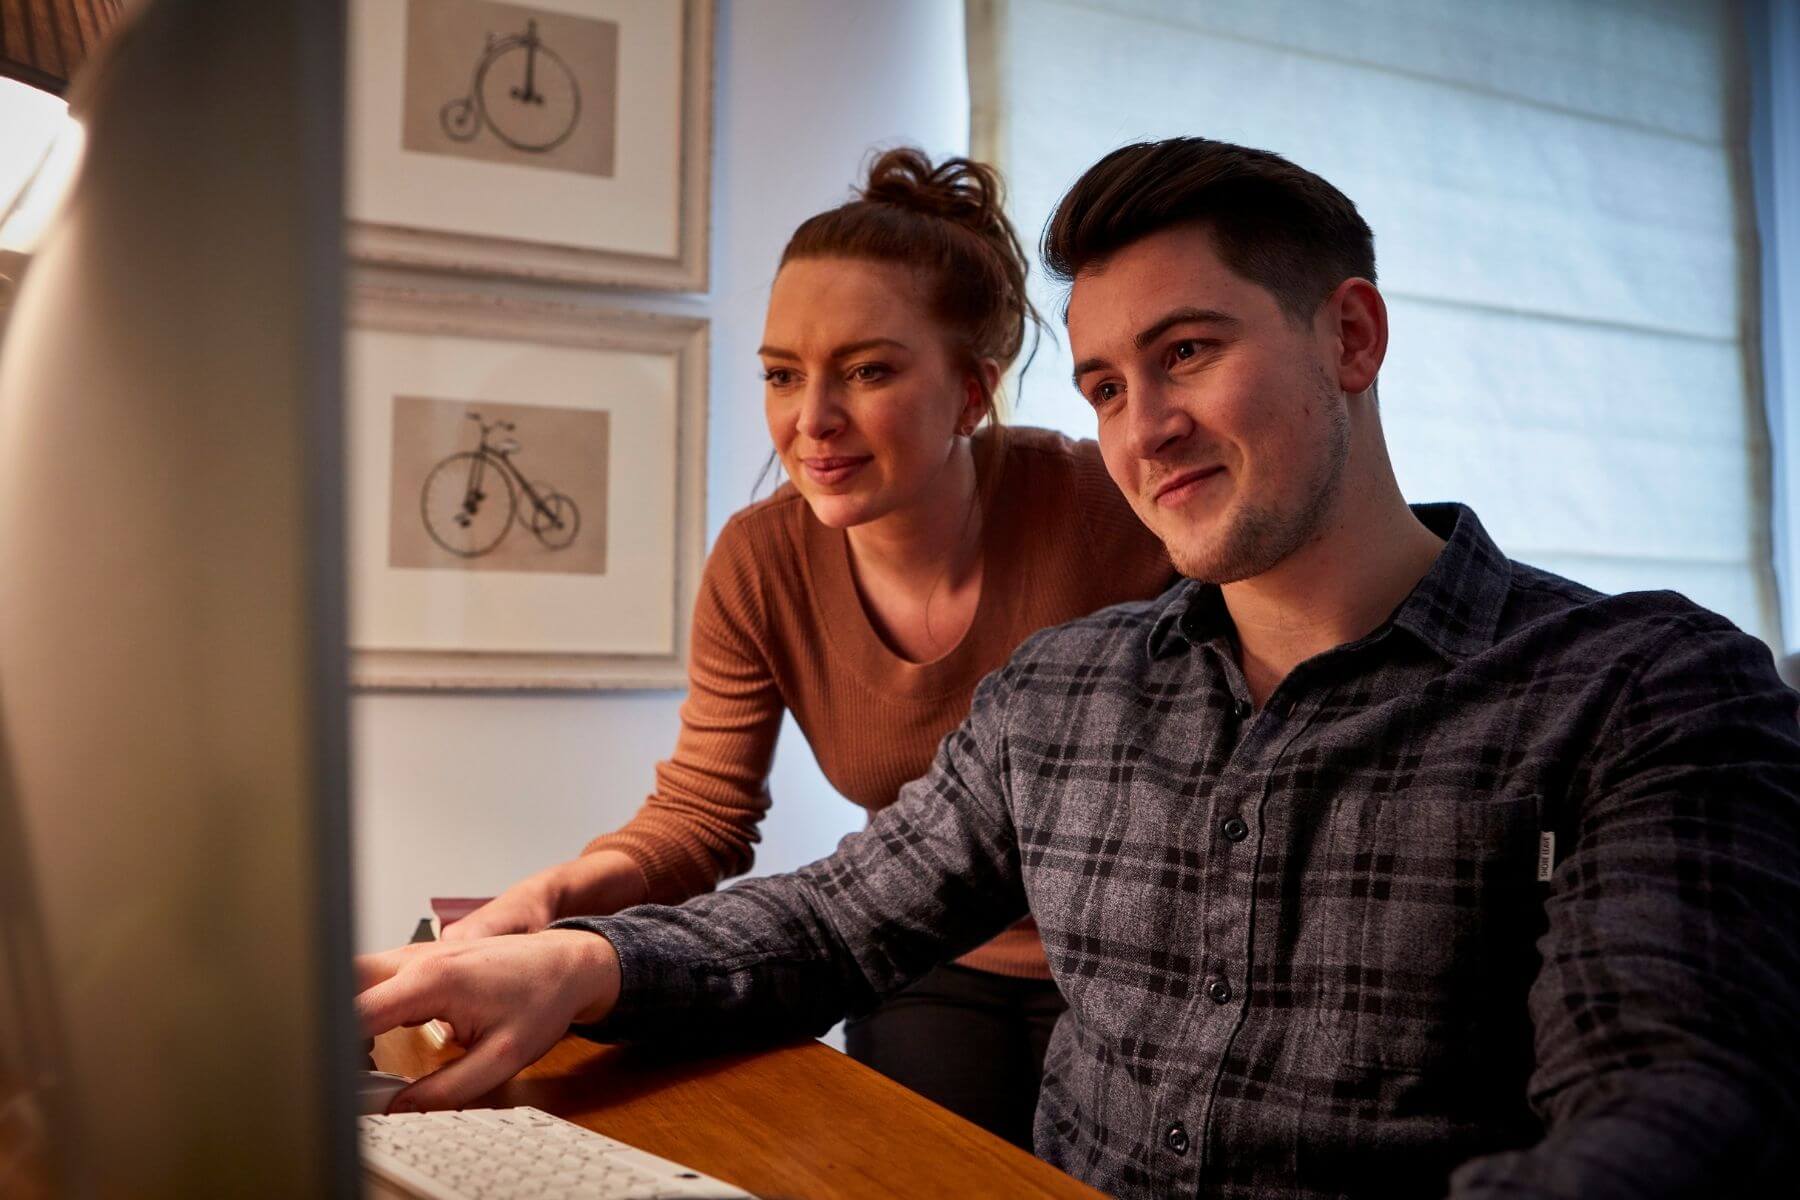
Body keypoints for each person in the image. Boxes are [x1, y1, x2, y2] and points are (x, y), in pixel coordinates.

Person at [356, 138, 1800, 1198]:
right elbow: (830, 922)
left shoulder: (1644, 692)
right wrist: (582, 961)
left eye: (1190, 352)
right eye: (1107, 384)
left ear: (1351, 337)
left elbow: (1672, 1097)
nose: (1143, 426)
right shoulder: (1059, 695)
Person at [427, 147, 1177, 1148]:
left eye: (867, 371)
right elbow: (705, 814)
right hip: (923, 947)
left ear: (972, 393)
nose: (810, 421)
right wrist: (559, 898)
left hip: (1132, 958)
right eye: (783, 375)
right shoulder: (761, 560)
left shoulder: (1111, 504)